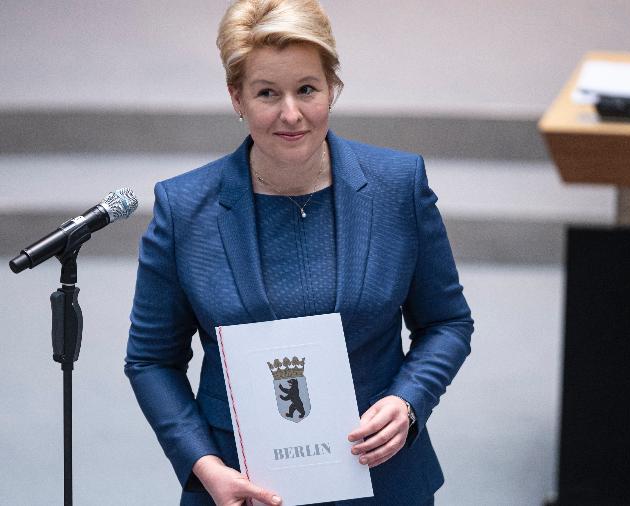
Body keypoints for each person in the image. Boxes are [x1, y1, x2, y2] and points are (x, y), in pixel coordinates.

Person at [124, 1, 473, 504]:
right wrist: (205, 466)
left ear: (333, 89)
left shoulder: (398, 186)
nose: (291, 114)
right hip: (240, 486)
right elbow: (152, 360)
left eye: (307, 89)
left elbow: (447, 322)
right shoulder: (185, 210)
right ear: (236, 98)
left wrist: (409, 400)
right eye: (267, 93)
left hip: (381, 481)